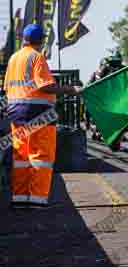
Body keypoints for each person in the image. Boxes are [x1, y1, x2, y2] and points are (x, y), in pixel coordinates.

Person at [6, 24, 80, 208]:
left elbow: (7, 87)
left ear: (24, 39)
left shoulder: (14, 58)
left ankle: (20, 198)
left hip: (15, 112)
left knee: (21, 156)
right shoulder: (37, 57)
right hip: (38, 112)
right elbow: (44, 85)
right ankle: (37, 199)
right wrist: (72, 90)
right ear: (41, 41)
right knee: (41, 155)